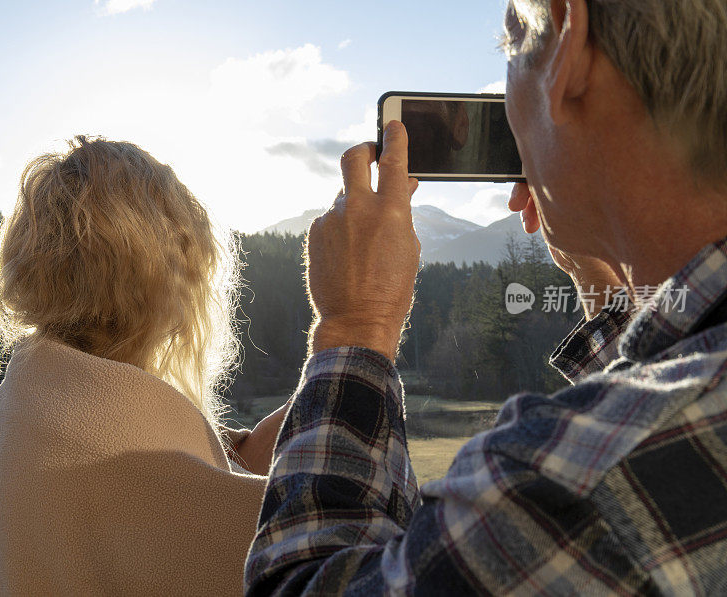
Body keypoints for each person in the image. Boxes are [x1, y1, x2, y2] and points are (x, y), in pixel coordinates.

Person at [245, 0, 727, 594]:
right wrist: (606, 292)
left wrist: (355, 325)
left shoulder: (581, 488)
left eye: (513, 41)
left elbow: (299, 585)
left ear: (567, 40)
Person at [0, 136, 288, 596]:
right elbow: (312, 553)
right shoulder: (115, 450)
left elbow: (182, 491)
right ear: (171, 276)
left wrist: (297, 418)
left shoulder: (30, 395)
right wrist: (358, 326)